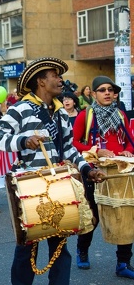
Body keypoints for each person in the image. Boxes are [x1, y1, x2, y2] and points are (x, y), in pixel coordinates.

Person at [0, 57, 104, 285]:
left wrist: (87, 169)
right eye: (56, 76)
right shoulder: (21, 108)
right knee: (27, 247)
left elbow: (69, 148)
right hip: (29, 186)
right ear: (41, 81)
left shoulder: (61, 112)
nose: (61, 80)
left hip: (58, 185)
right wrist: (23, 140)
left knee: (60, 247)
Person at [73, 75, 134, 279]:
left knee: (124, 216)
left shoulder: (121, 114)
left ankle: (123, 263)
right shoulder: (85, 115)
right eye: (102, 89)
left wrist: (126, 150)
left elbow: (128, 141)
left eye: (110, 89)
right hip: (94, 171)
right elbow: (74, 144)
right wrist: (96, 151)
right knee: (93, 216)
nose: (107, 93)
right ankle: (82, 250)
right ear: (94, 93)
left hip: (119, 172)